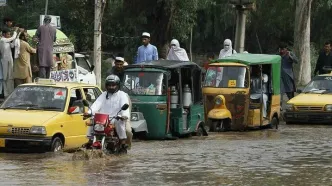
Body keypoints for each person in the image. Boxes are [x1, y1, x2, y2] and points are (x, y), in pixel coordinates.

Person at [87, 75, 131, 152]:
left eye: (113, 85)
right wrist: (89, 112)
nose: (111, 87)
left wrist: (124, 115)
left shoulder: (122, 95)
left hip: (117, 117)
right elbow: (96, 105)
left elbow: (125, 105)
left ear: (117, 85)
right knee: (92, 119)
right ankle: (90, 140)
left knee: (126, 129)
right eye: (109, 85)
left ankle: (123, 142)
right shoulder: (103, 94)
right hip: (104, 119)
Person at [279, 42, 298, 108]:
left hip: (288, 76)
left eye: (283, 49)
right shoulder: (278, 55)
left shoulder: (290, 54)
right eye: (280, 49)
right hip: (280, 76)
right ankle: (279, 107)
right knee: (279, 93)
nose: (281, 51)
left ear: (286, 49)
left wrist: (290, 56)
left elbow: (296, 61)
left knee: (290, 92)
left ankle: (293, 106)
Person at [0, 27, 18, 98]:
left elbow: (12, 45)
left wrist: (17, 36)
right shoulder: (2, 40)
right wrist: (15, 32)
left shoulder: (7, 41)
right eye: (8, 34)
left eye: (9, 34)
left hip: (9, 60)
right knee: (5, 77)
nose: (9, 35)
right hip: (4, 60)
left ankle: (11, 93)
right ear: (4, 34)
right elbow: (12, 38)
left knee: (10, 77)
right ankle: (6, 94)